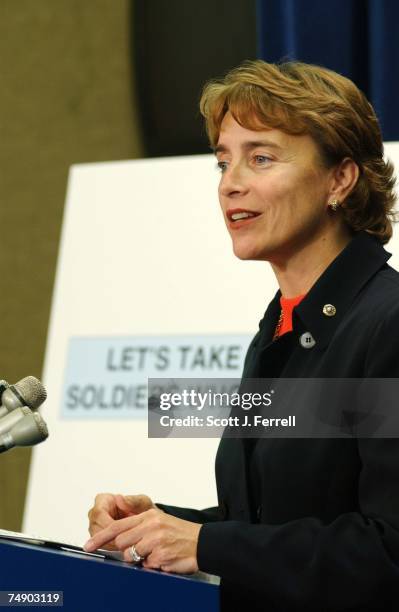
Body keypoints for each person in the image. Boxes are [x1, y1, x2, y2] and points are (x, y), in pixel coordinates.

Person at [84, 60, 399, 611]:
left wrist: (208, 544)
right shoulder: (280, 326)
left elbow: (387, 551)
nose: (231, 183)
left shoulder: (387, 323)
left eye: (261, 158)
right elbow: (270, 523)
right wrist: (161, 527)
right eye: (223, 161)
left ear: (340, 180)